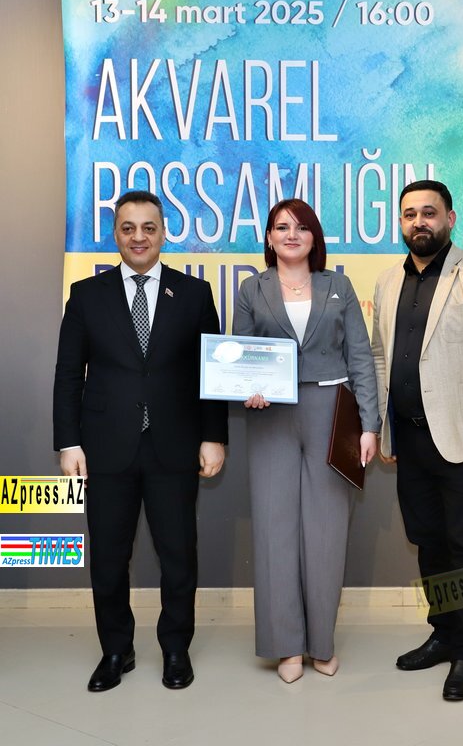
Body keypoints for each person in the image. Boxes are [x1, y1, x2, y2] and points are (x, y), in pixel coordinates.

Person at [53, 190, 228, 692]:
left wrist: (214, 437)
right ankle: (116, 650)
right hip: (105, 448)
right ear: (115, 234)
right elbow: (69, 374)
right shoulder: (86, 295)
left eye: (148, 227)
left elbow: (211, 375)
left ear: (163, 233)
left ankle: (175, 649)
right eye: (128, 228)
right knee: (109, 558)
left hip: (174, 445)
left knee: (179, 555)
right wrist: (68, 443)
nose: (138, 237)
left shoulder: (193, 294)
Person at [371, 180, 463, 701]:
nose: (419, 222)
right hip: (410, 442)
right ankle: (443, 632)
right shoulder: (388, 281)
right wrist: (384, 426)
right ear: (400, 222)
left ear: (450, 219)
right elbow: (379, 356)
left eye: (429, 213)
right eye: (410, 213)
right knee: (429, 542)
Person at [233, 198, 380, 684]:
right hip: (271, 416)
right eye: (281, 227)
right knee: (274, 530)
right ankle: (286, 646)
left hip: (331, 413)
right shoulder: (251, 289)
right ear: (269, 238)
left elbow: (360, 357)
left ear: (314, 237)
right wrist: (247, 387)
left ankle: (322, 644)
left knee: (326, 532)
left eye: (301, 227)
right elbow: (241, 354)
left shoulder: (338, 286)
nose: (291, 234)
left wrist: (370, 425)